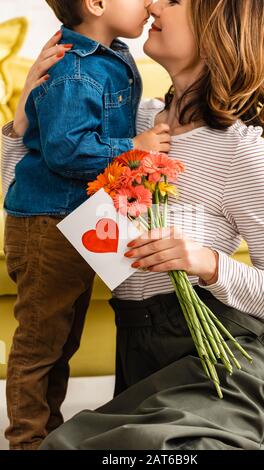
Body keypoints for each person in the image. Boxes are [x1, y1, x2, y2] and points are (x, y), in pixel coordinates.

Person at [3, 0, 264, 451]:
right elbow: (35, 199)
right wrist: (23, 120)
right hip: (143, 364)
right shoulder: (127, 124)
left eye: (175, 1)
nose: (155, 3)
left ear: (217, 28)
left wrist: (208, 263)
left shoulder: (242, 153)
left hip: (230, 366)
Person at [1, 0, 173, 451]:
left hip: (76, 224)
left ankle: (49, 432)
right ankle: (26, 441)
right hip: (47, 227)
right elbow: (66, 150)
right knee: (40, 345)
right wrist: (133, 146)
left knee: (61, 341)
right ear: (96, 4)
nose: (151, 3)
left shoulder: (112, 54)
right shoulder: (72, 70)